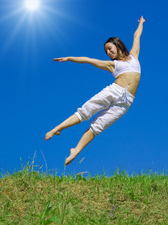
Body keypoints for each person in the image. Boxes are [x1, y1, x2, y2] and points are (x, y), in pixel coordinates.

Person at [45, 16, 145, 166]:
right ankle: (57, 128)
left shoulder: (133, 56)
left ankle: (76, 150)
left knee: (99, 126)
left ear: (118, 45)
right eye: (106, 51)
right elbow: (88, 59)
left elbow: (137, 36)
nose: (108, 52)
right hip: (114, 91)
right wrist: (70, 58)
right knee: (86, 111)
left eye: (110, 48)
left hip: (126, 102)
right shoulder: (112, 65)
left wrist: (141, 24)